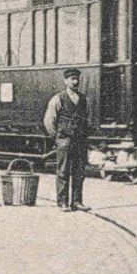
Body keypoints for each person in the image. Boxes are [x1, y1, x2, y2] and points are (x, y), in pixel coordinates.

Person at [43, 68, 90, 211]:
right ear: (66, 81)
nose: (75, 82)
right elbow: (49, 120)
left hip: (79, 140)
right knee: (63, 171)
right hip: (65, 140)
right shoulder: (58, 98)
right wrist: (57, 137)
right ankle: (62, 202)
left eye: (77, 79)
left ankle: (76, 201)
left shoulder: (84, 99)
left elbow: (87, 117)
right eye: (72, 79)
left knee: (79, 172)